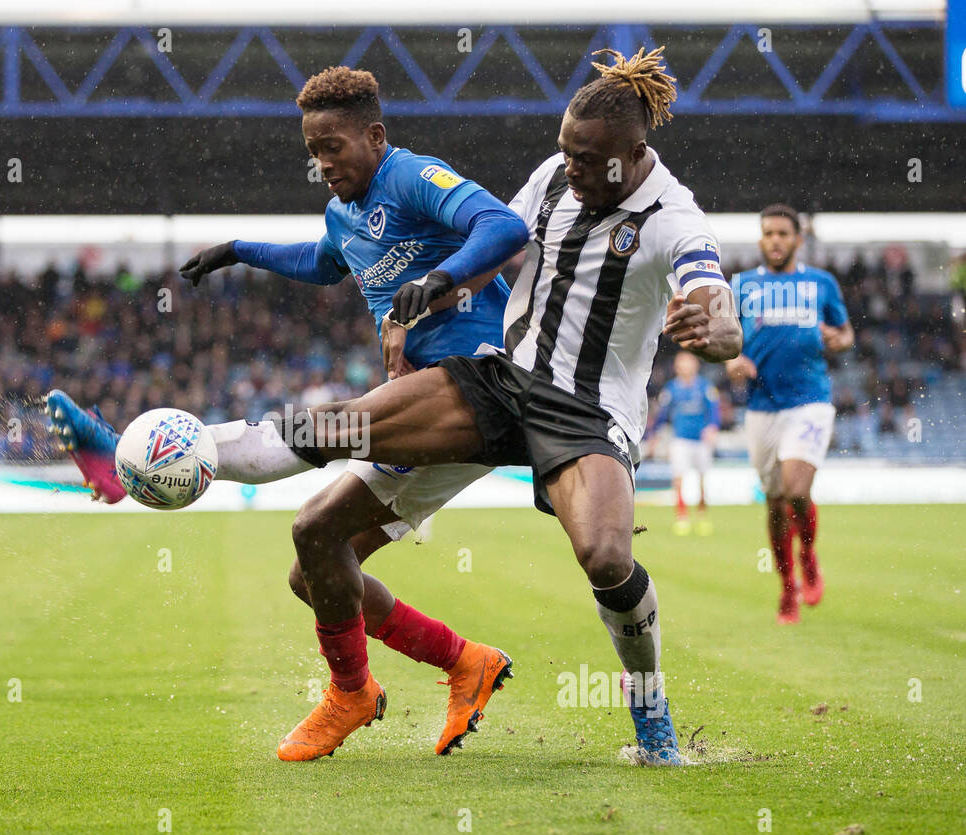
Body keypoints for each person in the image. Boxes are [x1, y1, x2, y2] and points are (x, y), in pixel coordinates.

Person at [51, 47, 741, 766]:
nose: (567, 167)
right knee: (325, 476)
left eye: (584, 157)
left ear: (633, 154)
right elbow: (475, 243)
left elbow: (710, 295)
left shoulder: (674, 219)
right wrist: (400, 292)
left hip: (586, 412)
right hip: (500, 381)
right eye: (564, 151)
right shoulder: (552, 178)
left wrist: (717, 328)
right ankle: (164, 465)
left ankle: (652, 719)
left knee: (604, 556)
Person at [169, 65, 528, 761]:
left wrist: (440, 279)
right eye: (313, 151)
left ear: (375, 134)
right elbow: (327, 261)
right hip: (418, 403)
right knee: (317, 571)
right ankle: (466, 663)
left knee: (314, 512)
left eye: (333, 146)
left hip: (473, 386)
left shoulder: (413, 177)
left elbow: (503, 225)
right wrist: (239, 251)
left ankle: (351, 695)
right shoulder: (344, 213)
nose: (322, 163)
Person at [726, 204, 853, 624]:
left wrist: (838, 339)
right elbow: (723, 343)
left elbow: (846, 333)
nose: (775, 240)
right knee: (776, 505)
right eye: (768, 233)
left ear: (797, 239)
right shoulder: (741, 285)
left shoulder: (821, 283)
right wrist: (731, 362)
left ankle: (809, 556)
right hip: (762, 408)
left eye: (783, 233)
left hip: (810, 401)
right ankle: (787, 589)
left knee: (797, 491)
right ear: (761, 240)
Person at [650, 350, 721, 535]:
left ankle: (702, 515)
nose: (685, 366)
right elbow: (662, 415)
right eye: (681, 363)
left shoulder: (705, 387)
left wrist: (713, 427)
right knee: (678, 479)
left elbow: (714, 410)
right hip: (680, 439)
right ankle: (682, 517)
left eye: (688, 362)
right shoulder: (671, 389)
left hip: (700, 440)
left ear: (695, 365)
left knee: (702, 480)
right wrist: (654, 434)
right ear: (676, 366)